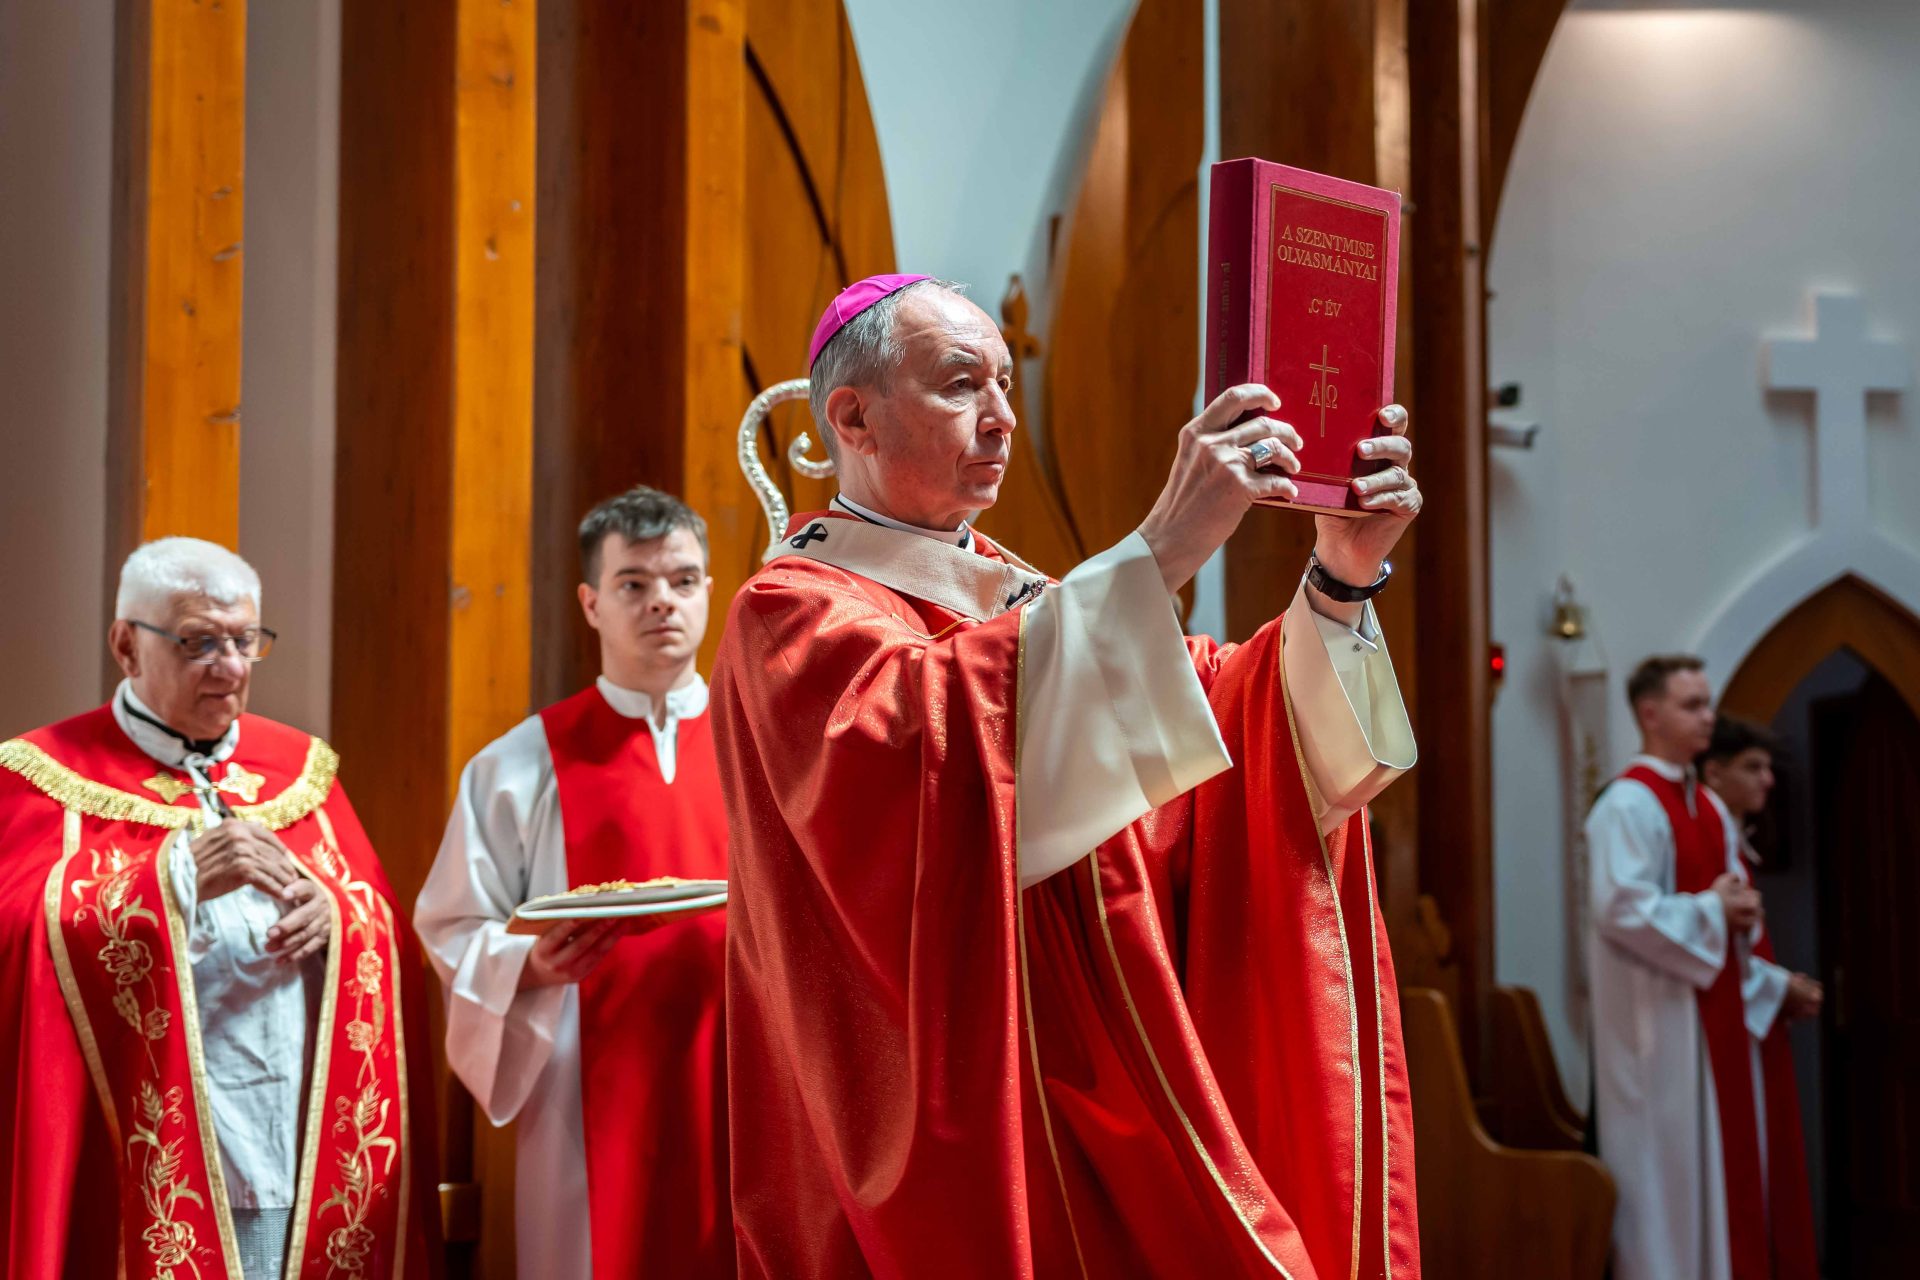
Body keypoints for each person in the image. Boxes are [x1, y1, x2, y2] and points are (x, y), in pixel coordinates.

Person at [712, 274, 1423, 1277]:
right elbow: (923, 759)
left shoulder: (1024, 600)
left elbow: (1226, 724)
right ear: (854, 418)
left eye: (1005, 383)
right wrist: (1163, 546)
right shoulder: (792, 613)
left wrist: (1341, 579)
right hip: (980, 1131)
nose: (1002, 416)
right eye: (961, 384)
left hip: (1113, 1101)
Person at [0, 537, 437, 1279]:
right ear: (127, 646)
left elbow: (387, 925)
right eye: (199, 642)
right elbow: (20, 938)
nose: (231, 667)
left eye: (245, 640)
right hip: (146, 1147)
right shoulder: (44, 775)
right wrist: (173, 879)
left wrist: (340, 918)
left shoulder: (300, 770)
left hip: (298, 1144)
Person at [415, 487, 731, 1278]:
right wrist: (527, 964)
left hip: (739, 1070)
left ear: (708, 591)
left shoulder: (764, 748)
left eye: (682, 581)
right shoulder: (519, 765)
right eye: (634, 583)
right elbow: (450, 925)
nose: (662, 602)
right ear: (591, 603)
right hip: (584, 1087)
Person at [1586, 657, 1821, 1280]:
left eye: (1708, 703)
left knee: (1715, 1194)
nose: (1708, 717)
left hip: (1709, 1032)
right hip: (1655, 1040)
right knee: (1665, 1198)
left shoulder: (1709, 808)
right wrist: (1714, 909)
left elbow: (1730, 903)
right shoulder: (1626, 805)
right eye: (1692, 705)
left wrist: (1740, 916)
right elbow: (1619, 909)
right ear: (1650, 714)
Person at [1698, 714, 1821, 1277]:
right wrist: (1780, 987)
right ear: (1713, 773)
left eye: (1768, 767)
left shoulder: (1732, 837)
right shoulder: (1706, 837)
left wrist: (1778, 985)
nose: (1767, 780)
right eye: (1753, 767)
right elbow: (1712, 953)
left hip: (1754, 1023)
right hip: (1728, 1029)